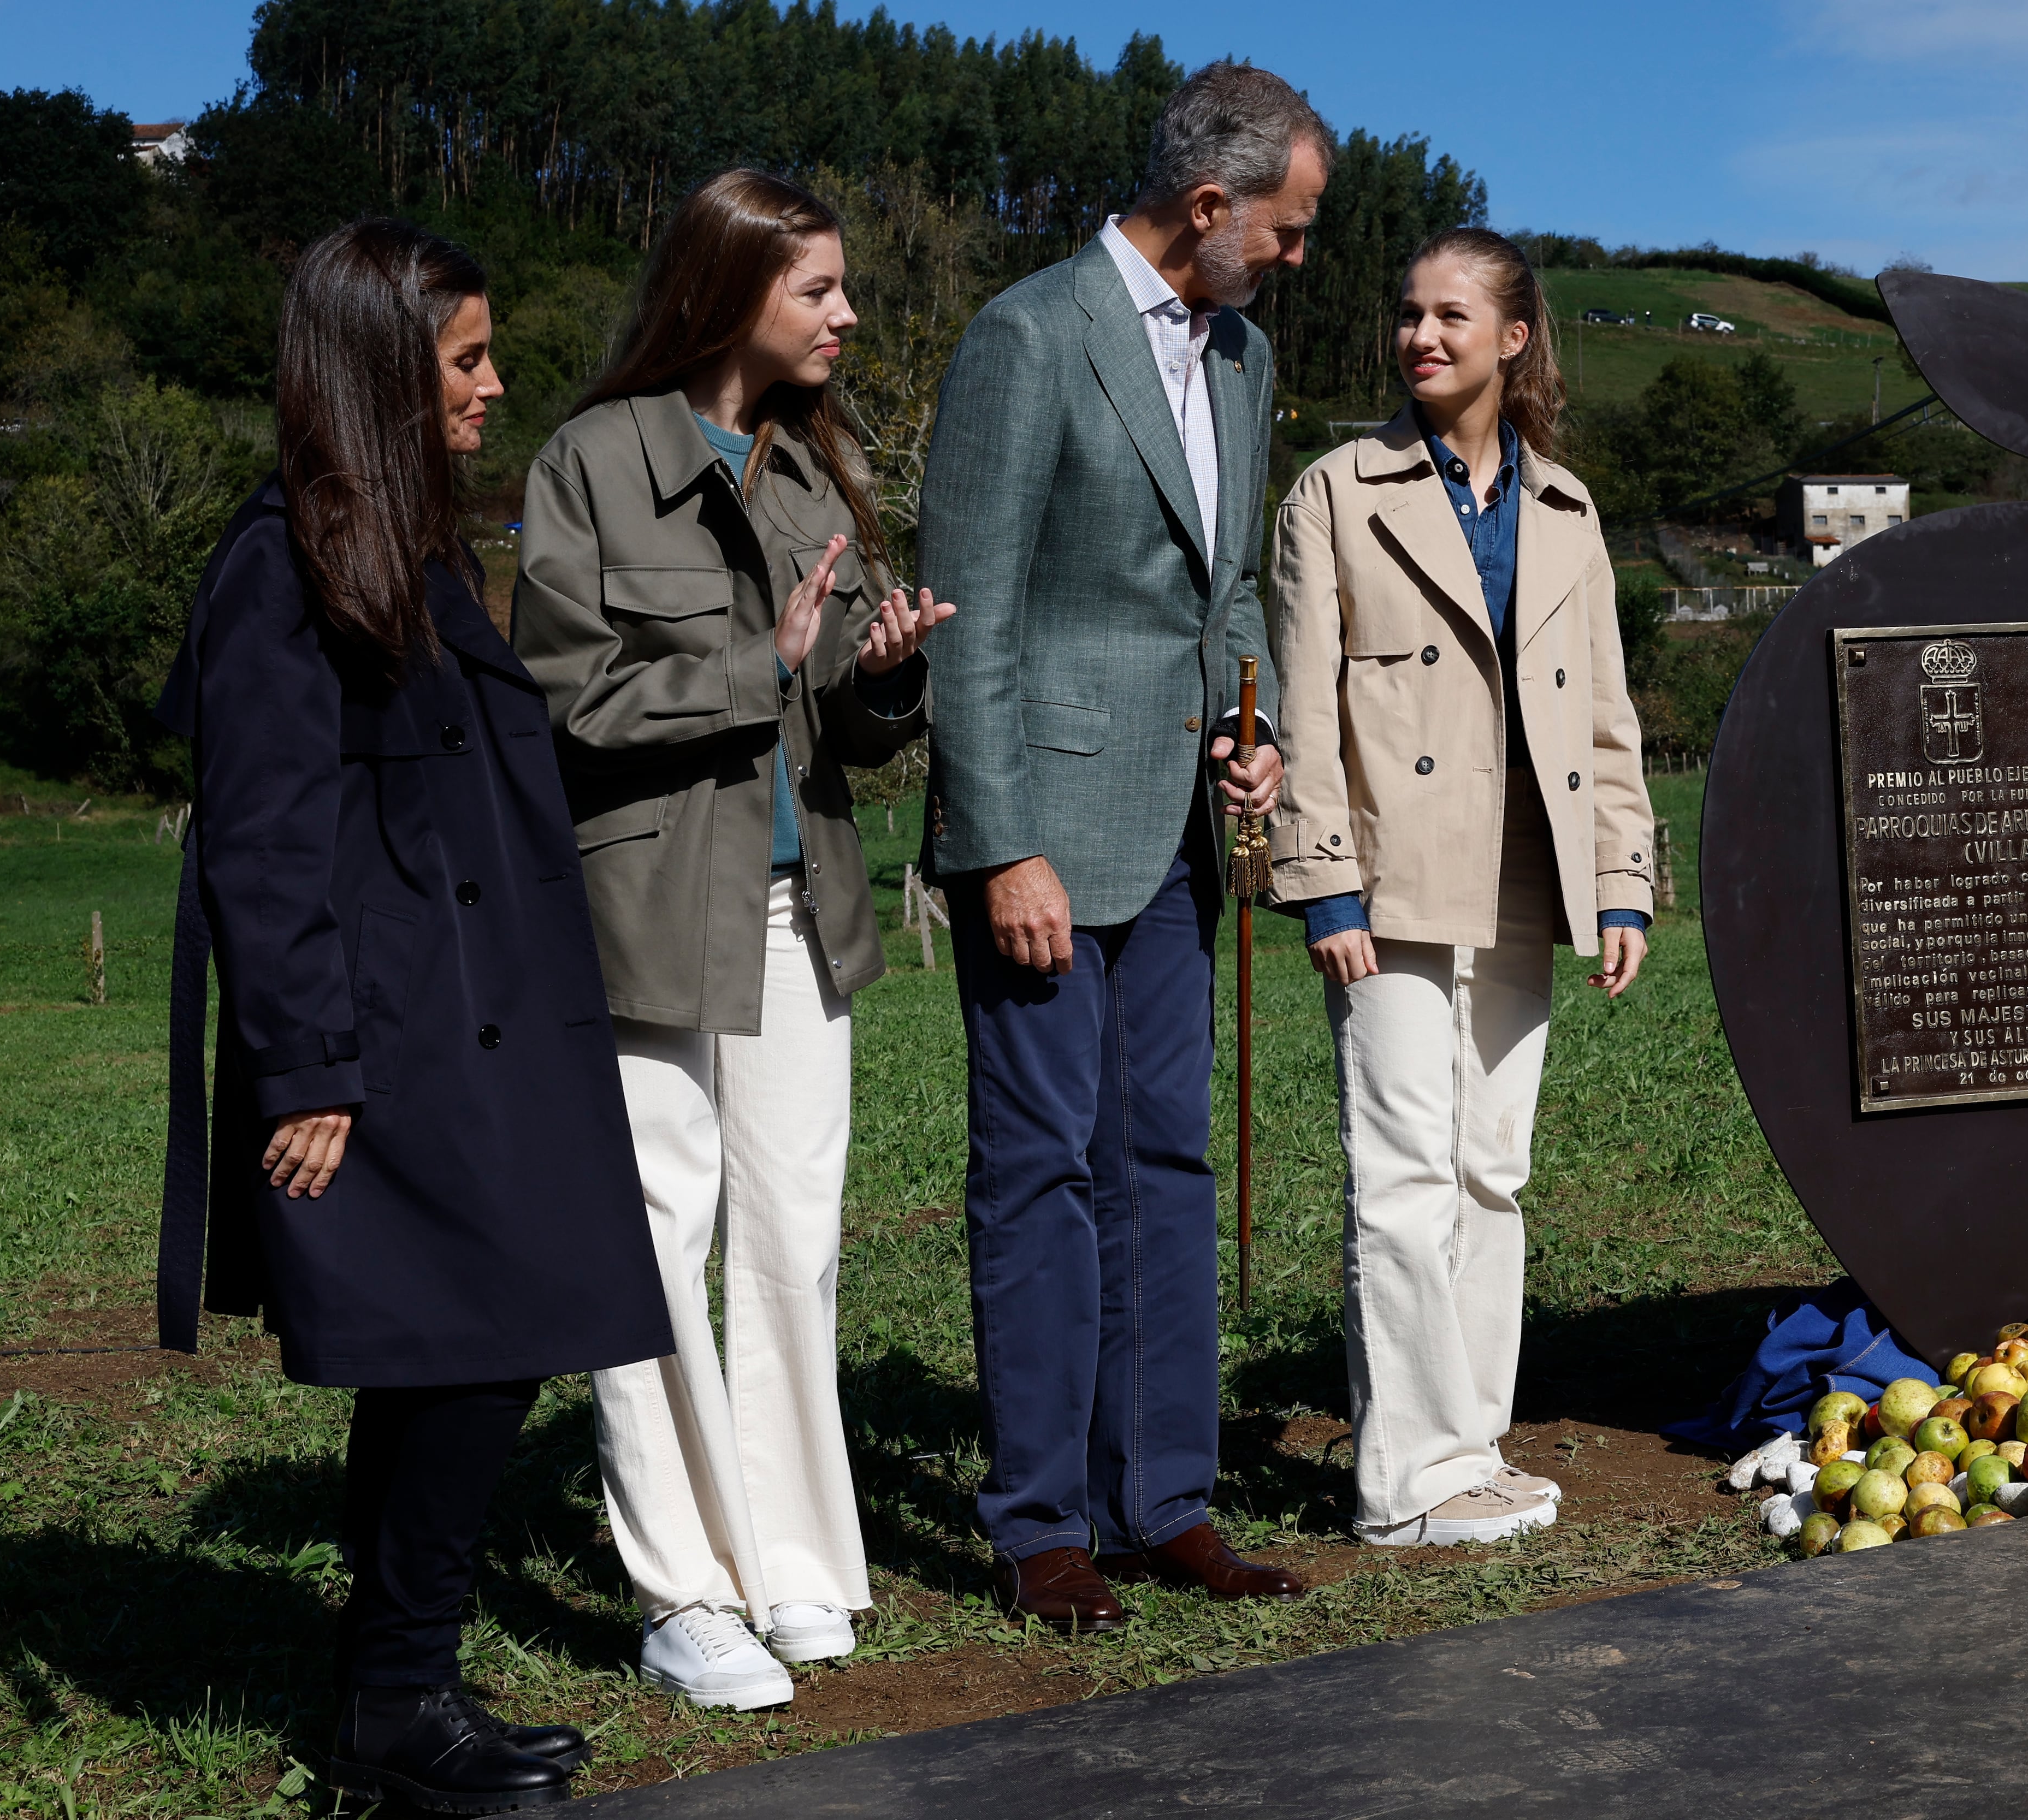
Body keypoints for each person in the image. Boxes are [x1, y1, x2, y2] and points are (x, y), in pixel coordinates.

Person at [156, 218, 672, 1812]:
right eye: (464, 359)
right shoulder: (284, 563)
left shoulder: (404, 542)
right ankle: (394, 1705)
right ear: (381, 369)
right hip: (388, 1040)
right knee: (464, 1347)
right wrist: (304, 1063)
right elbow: (261, 830)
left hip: (476, 1024)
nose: (494, 386)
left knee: (464, 1357)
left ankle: (404, 1687)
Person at [510, 169, 949, 1710]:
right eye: (818, 288)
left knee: (792, 1236)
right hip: (642, 904)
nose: (846, 313)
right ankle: (683, 1589)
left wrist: (883, 676)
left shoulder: (814, 475)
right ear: (730, 286)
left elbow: (838, 714)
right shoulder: (589, 461)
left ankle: (794, 1561)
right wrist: (753, 666)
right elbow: (559, 695)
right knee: (654, 1239)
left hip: (795, 903)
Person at [915, 62, 1332, 1631]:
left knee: (1165, 1161)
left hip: (1175, 839)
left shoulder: (1244, 358)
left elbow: (1225, 589)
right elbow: (973, 611)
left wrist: (1260, 719)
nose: (1295, 256)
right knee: (1037, 1173)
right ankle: (1040, 1525)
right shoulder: (1027, 338)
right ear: (1209, 205)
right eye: (1285, 229)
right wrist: (1000, 841)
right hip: (1043, 836)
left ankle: (1162, 1497)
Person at [1266, 228, 1654, 1549]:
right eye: (1408, 314)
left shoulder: (1568, 509)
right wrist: (1322, 885)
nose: (1420, 336)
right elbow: (1306, 710)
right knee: (1401, 1174)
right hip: (1389, 882)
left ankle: (1467, 1445)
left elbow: (1607, 718)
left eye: (1449, 316)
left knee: (1491, 1170)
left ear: (1513, 338)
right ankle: (1404, 1483)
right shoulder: (1335, 490)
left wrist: (1623, 881)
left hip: (1527, 877)